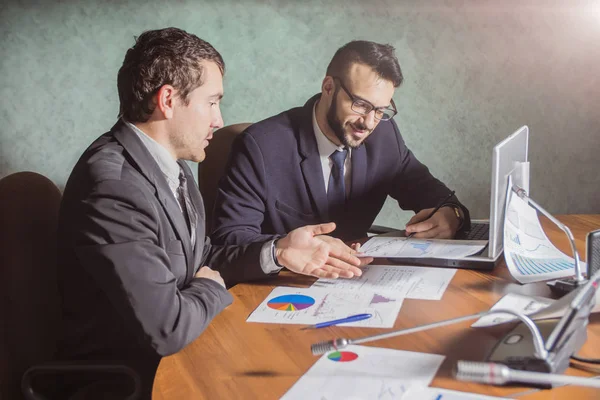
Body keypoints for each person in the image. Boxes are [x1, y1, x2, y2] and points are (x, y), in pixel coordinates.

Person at [54, 28, 365, 399]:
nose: (219, 120)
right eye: (212, 102)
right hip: (133, 380)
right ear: (168, 100)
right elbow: (167, 327)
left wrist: (279, 251)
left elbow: (202, 258)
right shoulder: (112, 187)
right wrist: (211, 286)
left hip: (184, 352)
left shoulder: (168, 163)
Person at [211, 40, 471, 246]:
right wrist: (284, 248)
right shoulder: (261, 147)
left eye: (381, 110)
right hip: (286, 288)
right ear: (328, 88)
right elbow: (229, 239)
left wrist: (452, 215)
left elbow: (437, 196)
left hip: (357, 284)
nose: (369, 122)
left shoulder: (385, 136)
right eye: (360, 104)